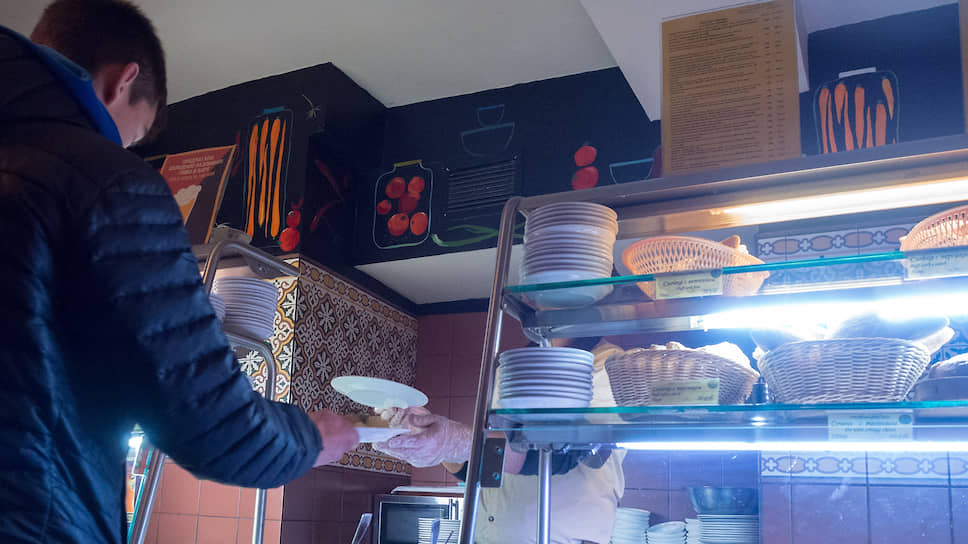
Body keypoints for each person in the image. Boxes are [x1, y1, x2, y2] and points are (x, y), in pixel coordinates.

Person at [0, 1, 358, 542]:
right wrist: (310, 439)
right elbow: (209, 422)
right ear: (123, 80)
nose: (121, 147)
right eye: (133, 135)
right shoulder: (111, 182)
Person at [375, 338, 627, 544]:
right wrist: (432, 436)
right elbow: (489, 466)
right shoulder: (511, 367)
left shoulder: (610, 365)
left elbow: (563, 456)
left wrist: (455, 441)